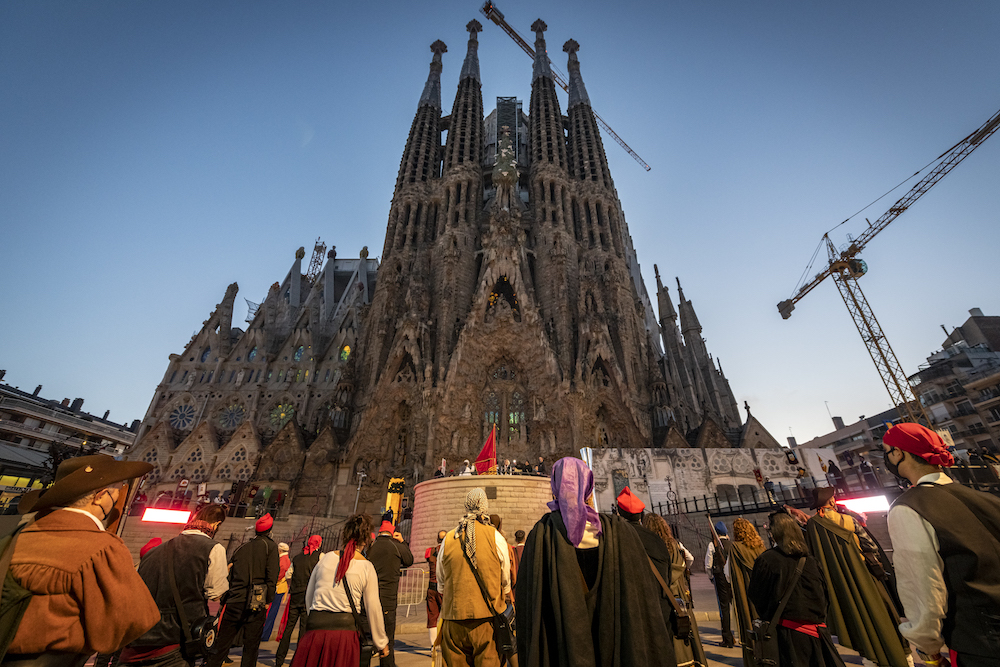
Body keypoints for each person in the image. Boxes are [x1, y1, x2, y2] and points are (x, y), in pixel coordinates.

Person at [515, 457, 674, 666]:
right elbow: (644, 606)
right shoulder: (620, 532)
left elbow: (529, 609)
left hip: (563, 651)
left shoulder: (541, 535)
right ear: (589, 487)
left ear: (554, 486)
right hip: (616, 646)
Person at [6, 455, 160, 664]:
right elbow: (135, 620)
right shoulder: (100, 547)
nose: (116, 500)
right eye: (117, 491)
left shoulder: (16, 536)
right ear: (100, 496)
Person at [883, 422, 1000, 667]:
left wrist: (929, 650)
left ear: (898, 453)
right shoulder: (988, 499)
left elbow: (922, 586)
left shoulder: (910, 506)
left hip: (979, 642)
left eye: (887, 451)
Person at [806, 488, 910, 667]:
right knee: (883, 612)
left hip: (840, 582)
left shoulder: (813, 525)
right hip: (865, 576)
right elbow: (871, 547)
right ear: (831, 502)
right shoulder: (849, 520)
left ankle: (870, 657)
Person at [122, 504, 230, 667]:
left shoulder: (154, 551)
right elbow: (216, 592)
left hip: (138, 639)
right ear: (216, 525)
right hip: (176, 639)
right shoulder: (213, 548)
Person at [748, 511, 846, 667]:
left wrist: (771, 615)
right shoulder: (811, 561)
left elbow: (756, 594)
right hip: (818, 633)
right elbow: (824, 595)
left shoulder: (767, 559)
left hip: (788, 634)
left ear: (774, 533)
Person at [291, 513, 389, 666]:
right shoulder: (366, 567)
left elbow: (309, 596)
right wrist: (381, 642)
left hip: (314, 632)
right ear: (367, 539)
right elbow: (373, 608)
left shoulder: (325, 559)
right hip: (344, 636)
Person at [437, 488, 511, 667]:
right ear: (484, 507)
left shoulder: (448, 538)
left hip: (453, 621)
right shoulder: (495, 537)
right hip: (486, 620)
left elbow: (441, 582)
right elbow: (505, 578)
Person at [205, 513, 280, 667]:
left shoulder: (242, 547)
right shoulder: (270, 547)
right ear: (270, 530)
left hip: (234, 600)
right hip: (255, 602)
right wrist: (269, 600)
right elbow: (272, 576)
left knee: (222, 643)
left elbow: (230, 573)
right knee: (251, 646)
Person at [615, 487, 678, 666]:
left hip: (632, 613)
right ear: (641, 515)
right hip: (660, 611)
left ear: (619, 512)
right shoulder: (657, 540)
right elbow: (667, 576)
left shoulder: (617, 538)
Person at [644, 513, 707, 667]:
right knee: (684, 625)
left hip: (663, 591)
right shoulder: (675, 544)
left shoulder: (650, 546)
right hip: (678, 592)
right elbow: (689, 559)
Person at [366, 519, 413, 667]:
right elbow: (409, 560)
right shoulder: (395, 546)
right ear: (392, 533)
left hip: (368, 598)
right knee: (387, 640)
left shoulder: (371, 547)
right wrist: (403, 542)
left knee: (368, 641)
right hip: (387, 600)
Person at [274, 535, 324, 667]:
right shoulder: (320, 557)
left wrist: (294, 585)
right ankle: (299, 659)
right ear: (318, 543)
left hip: (295, 595)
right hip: (309, 596)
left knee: (288, 628)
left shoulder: (297, 557)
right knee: (303, 629)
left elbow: (288, 575)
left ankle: (279, 659)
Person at [727, 518, 767, 666]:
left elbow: (730, 574)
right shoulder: (760, 547)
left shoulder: (736, 547)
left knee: (749, 621)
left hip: (747, 592)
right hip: (762, 591)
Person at [705, 520, 735, 648]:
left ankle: (727, 638)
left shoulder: (713, 545)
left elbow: (708, 565)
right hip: (733, 579)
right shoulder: (732, 545)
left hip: (720, 578)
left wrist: (711, 577)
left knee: (724, 608)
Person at [262, 542, 292, 641]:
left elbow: (278, 574)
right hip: (280, 588)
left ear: (279, 550)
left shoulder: (283, 560)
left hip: (277, 588)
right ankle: (265, 633)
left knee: (270, 612)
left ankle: (264, 634)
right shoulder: (285, 559)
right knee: (272, 612)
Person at [425, 530, 446, 648]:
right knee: (447, 616)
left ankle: (433, 646)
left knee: (432, 617)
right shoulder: (448, 551)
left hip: (431, 586)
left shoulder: (430, 551)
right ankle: (445, 643)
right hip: (443, 588)